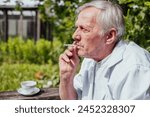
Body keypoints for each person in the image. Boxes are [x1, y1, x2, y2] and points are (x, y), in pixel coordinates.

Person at [59, 0, 150, 100]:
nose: (75, 36)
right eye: (77, 28)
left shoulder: (134, 67)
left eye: (84, 29)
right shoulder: (90, 60)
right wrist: (66, 77)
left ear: (109, 36)